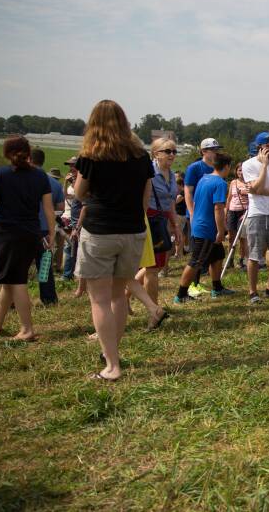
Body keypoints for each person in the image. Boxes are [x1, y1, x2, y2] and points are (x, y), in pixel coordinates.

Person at [73, 100, 154, 381]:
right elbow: (145, 198)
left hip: (99, 231)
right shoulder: (141, 157)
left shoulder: (91, 157)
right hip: (132, 231)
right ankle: (113, 352)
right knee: (119, 295)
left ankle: (112, 365)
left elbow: (79, 193)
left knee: (100, 300)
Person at [0, 136, 55, 341]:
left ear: (7, 153)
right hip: (31, 233)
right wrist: (51, 234)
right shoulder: (40, 177)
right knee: (9, 278)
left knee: (16, 280)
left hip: (7, 233)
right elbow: (48, 209)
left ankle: (27, 329)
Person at [174, 153, 234, 303]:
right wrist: (221, 230)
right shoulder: (220, 183)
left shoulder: (204, 178)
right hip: (207, 229)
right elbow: (218, 208)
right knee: (196, 262)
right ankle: (180, 295)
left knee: (218, 255)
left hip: (198, 225)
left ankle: (217, 288)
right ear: (226, 166)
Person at [242, 132, 269, 303]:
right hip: (257, 213)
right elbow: (255, 185)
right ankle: (253, 291)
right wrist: (265, 166)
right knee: (254, 254)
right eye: (267, 146)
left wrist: (261, 191)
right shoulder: (248, 165)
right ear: (259, 147)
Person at [136, 138, 180, 306]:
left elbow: (170, 203)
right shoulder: (148, 173)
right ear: (156, 154)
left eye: (174, 151)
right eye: (168, 151)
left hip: (161, 220)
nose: (172, 155)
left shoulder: (171, 174)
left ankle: (127, 295)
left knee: (156, 265)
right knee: (152, 268)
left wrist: (175, 225)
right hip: (148, 219)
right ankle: (154, 310)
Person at [184, 137, 222, 297]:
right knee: (197, 253)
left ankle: (216, 286)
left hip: (212, 214)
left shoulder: (217, 167)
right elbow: (187, 190)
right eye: (213, 149)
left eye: (217, 149)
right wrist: (191, 212)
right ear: (204, 151)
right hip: (198, 216)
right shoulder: (195, 167)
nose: (216, 152)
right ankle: (193, 285)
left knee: (216, 252)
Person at [30, 147, 64, 305]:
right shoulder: (54, 183)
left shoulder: (23, 178)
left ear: (29, 159)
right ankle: (49, 298)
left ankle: (13, 300)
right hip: (46, 230)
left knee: (20, 266)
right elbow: (61, 207)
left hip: (26, 228)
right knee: (44, 266)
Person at [225, 162, 250, 270]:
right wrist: (226, 211)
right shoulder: (233, 182)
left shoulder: (250, 183)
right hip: (232, 211)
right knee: (231, 237)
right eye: (239, 170)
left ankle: (241, 260)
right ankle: (230, 260)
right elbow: (229, 198)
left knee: (243, 238)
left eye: (243, 170)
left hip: (243, 212)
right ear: (236, 171)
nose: (241, 172)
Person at [62, 156, 82, 281]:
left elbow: (80, 197)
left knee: (71, 247)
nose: (71, 168)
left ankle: (70, 275)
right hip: (72, 219)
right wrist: (65, 182)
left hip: (78, 220)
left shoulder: (80, 180)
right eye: (69, 165)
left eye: (73, 165)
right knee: (70, 247)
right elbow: (66, 196)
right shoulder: (73, 181)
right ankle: (70, 274)